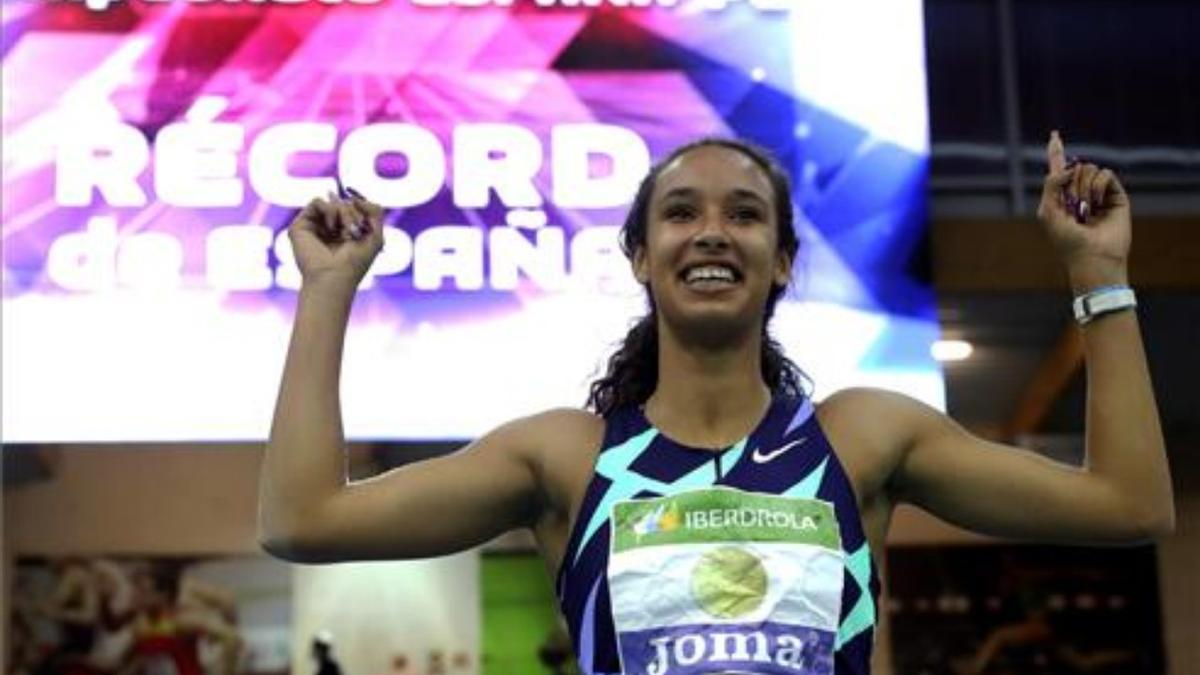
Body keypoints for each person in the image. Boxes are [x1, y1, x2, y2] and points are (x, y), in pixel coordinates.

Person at [259, 131, 1175, 675]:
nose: (711, 231)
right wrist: (329, 289)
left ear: (779, 261)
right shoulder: (564, 458)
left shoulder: (862, 437)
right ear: (640, 257)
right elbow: (303, 519)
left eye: (744, 214)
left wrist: (1098, 274)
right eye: (681, 212)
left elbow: (1131, 505)